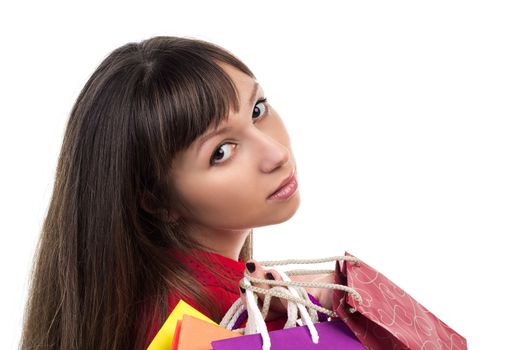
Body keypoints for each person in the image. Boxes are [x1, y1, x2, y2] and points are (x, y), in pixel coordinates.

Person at [20, 36, 334, 350]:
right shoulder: (216, 326)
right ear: (156, 200)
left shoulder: (155, 300)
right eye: (221, 152)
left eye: (257, 110)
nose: (276, 154)